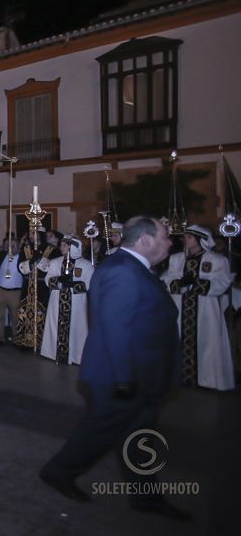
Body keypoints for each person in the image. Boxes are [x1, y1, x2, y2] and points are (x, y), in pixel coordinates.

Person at [40, 216, 189, 521]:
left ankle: (145, 497)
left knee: (139, 438)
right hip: (120, 375)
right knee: (100, 432)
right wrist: (124, 378)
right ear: (145, 241)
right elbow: (115, 328)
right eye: (164, 236)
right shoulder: (123, 270)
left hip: (140, 372)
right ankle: (58, 471)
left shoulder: (132, 267)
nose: (170, 242)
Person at [162, 224, 235, 390]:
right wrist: (178, 283)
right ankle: (181, 377)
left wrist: (196, 284)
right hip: (181, 306)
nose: (185, 240)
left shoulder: (217, 260)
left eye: (189, 237)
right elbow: (168, 278)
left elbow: (222, 282)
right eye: (184, 237)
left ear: (200, 239)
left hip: (205, 308)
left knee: (207, 340)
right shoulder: (177, 259)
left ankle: (208, 379)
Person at [40, 236, 92, 365]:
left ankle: (76, 355)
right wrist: (59, 282)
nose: (61, 247)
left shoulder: (85, 264)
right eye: (61, 244)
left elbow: (89, 283)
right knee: (56, 326)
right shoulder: (55, 262)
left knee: (76, 328)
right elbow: (48, 279)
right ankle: (53, 353)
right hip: (57, 301)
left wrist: (72, 285)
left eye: (64, 245)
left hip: (76, 303)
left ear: (71, 246)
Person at [0, 238, 24, 344]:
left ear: (18, 247)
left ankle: (17, 338)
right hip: (0, 291)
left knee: (15, 317)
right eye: (8, 246)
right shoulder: (0, 256)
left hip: (15, 293)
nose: (10, 249)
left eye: (13, 246)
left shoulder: (22, 258)